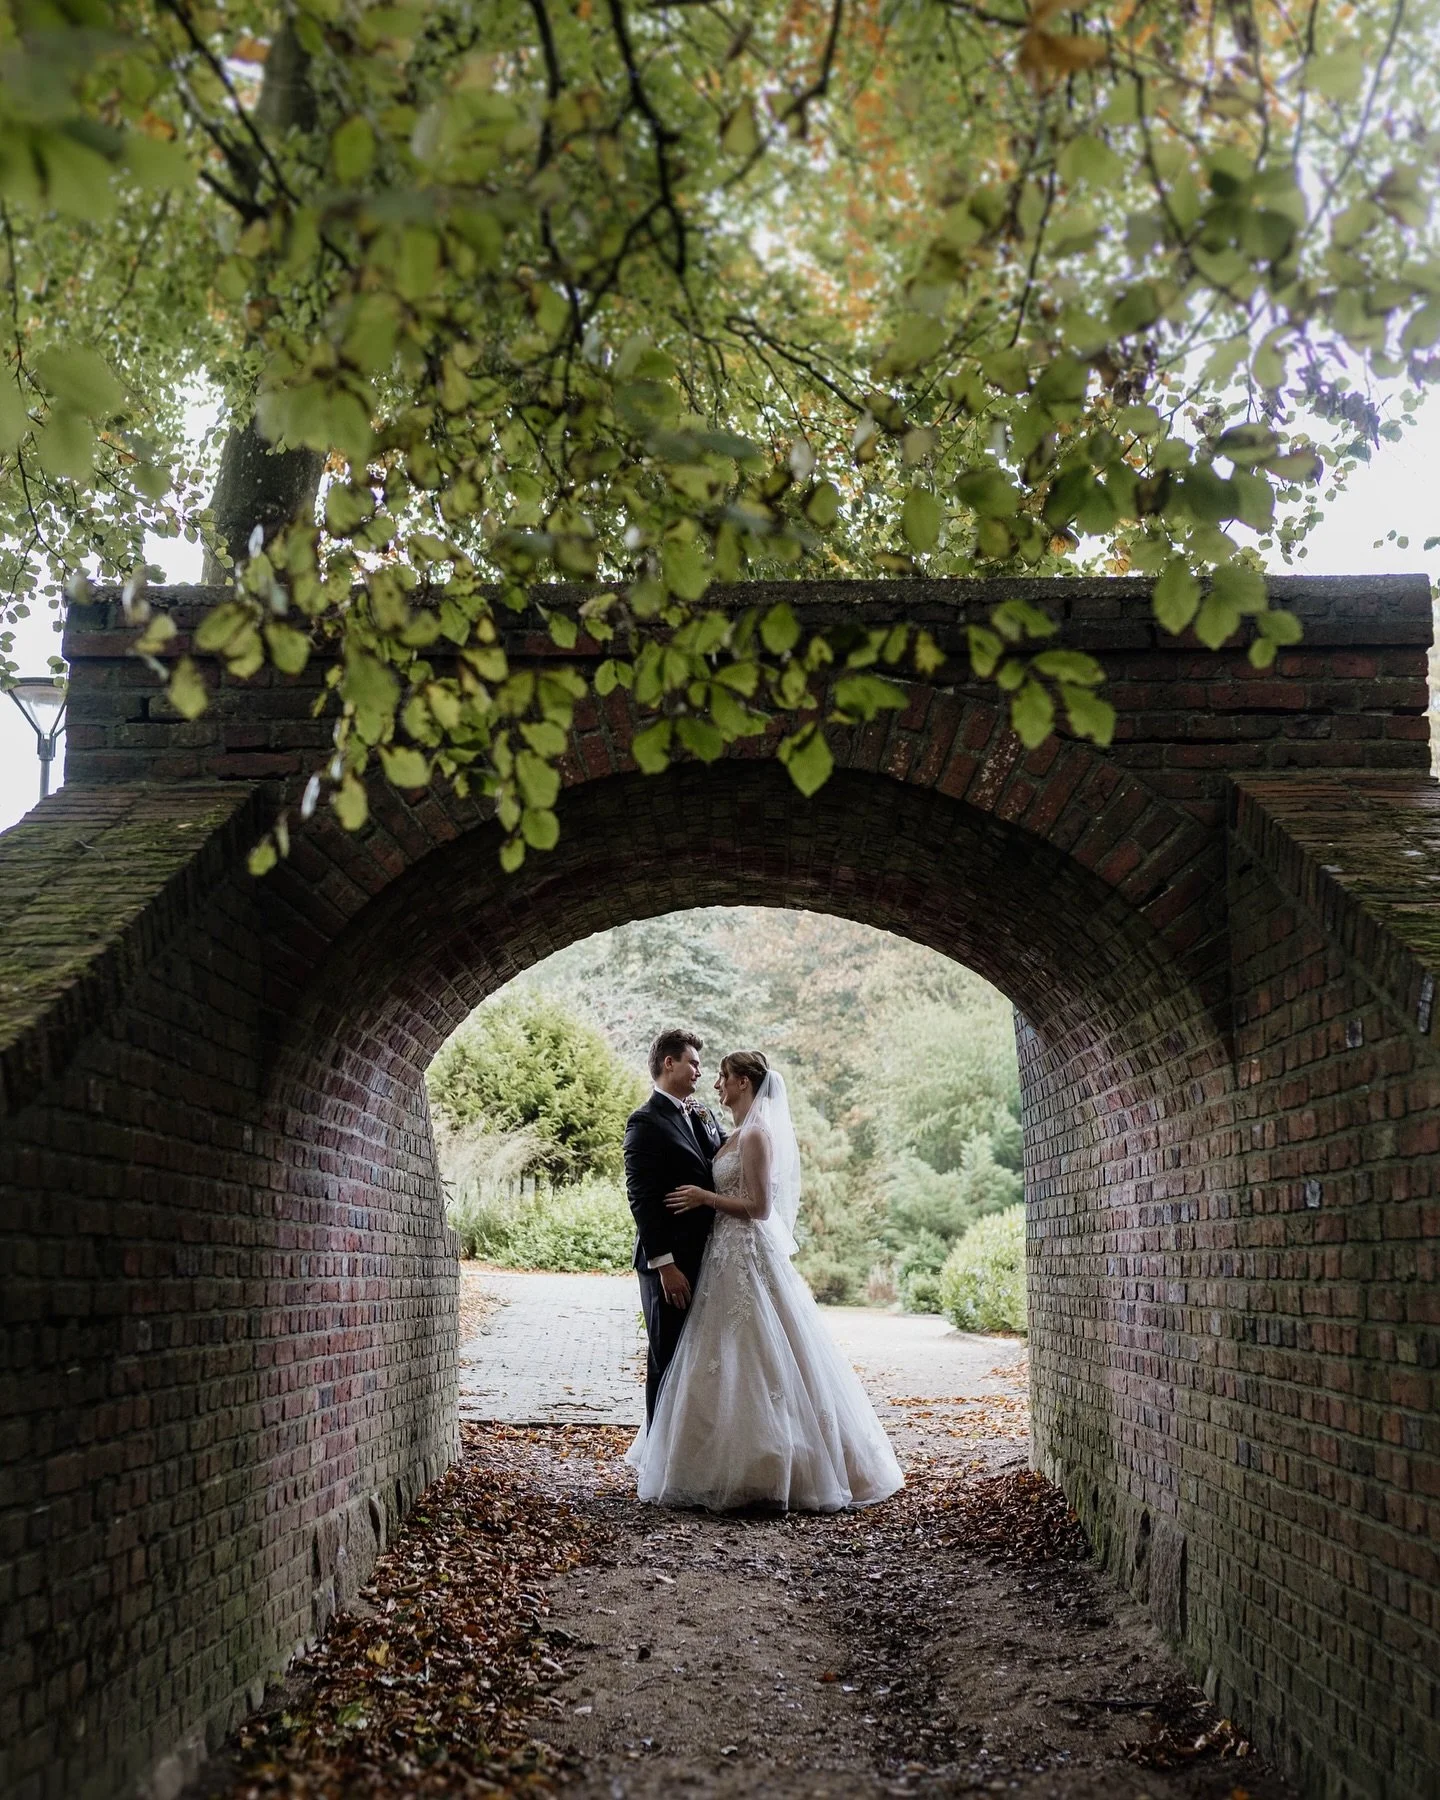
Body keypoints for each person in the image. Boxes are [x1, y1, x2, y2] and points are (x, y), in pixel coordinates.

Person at [625, 1049, 904, 1513]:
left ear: (744, 1083)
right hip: (718, 1258)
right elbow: (649, 1194)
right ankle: (696, 1458)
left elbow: (758, 1209)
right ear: (669, 1063)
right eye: (706, 1071)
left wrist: (705, 1197)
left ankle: (772, 1463)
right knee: (710, 1359)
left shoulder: (755, 1134)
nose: (715, 1083)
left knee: (760, 1356)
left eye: (723, 1076)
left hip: (747, 1255)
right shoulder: (724, 1130)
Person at [623, 1028, 728, 1424]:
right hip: (670, 1265)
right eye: (694, 1063)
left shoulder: (700, 1112)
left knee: (697, 1360)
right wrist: (665, 1265)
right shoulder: (645, 1122)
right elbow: (643, 1200)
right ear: (670, 1063)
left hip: (709, 1256)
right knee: (666, 1357)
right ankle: (657, 1458)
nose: (700, 1072)